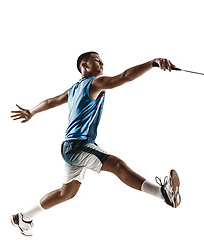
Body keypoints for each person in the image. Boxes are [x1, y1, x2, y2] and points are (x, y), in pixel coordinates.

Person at [10, 52, 181, 236]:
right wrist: (152, 63)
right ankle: (164, 194)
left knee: (66, 193)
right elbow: (124, 77)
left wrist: (31, 111)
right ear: (84, 65)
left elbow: (51, 101)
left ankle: (23, 217)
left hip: (70, 146)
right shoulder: (94, 83)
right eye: (97, 60)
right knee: (117, 165)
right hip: (79, 146)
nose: (102, 63)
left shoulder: (74, 89)